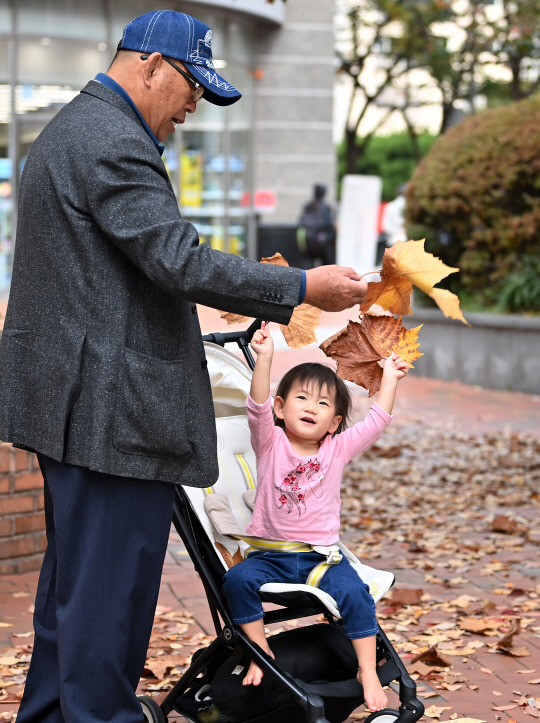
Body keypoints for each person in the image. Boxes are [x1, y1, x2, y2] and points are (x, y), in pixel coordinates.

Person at [0, 10, 370, 723]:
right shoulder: (112, 139)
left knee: (75, 589)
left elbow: (113, 275)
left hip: (75, 399)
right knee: (111, 593)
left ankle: (52, 713)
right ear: (149, 66)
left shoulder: (71, 129)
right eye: (192, 86)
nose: (195, 105)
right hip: (110, 409)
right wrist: (302, 289)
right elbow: (177, 258)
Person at [222, 322, 409, 712]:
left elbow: (377, 422)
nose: (311, 407)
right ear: (280, 407)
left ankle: (366, 670)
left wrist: (389, 377)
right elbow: (255, 406)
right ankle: (259, 650)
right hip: (270, 558)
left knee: (356, 594)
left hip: (319, 559)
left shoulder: (336, 450)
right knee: (236, 580)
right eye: (302, 398)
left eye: (324, 404)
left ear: (335, 421)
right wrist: (266, 358)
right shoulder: (270, 442)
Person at [297, 183, 337, 267]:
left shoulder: (307, 206)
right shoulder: (325, 207)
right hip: (321, 242)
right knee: (327, 267)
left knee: (308, 267)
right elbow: (329, 224)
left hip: (308, 241)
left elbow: (301, 222)